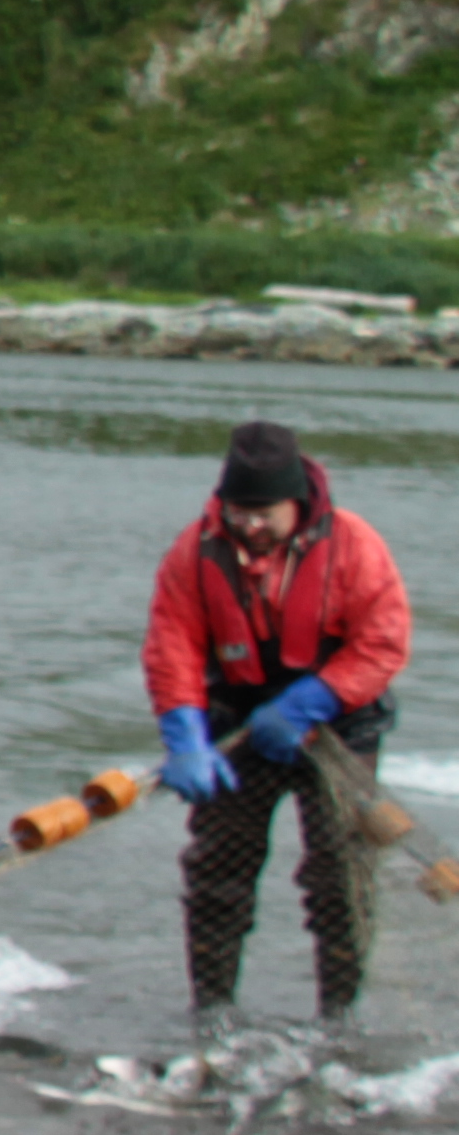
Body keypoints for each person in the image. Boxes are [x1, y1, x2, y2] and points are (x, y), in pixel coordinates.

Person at [146, 417, 410, 1029]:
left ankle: (338, 1016)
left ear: (298, 502)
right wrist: (183, 734)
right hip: (239, 727)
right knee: (217, 872)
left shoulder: (355, 545)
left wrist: (308, 704)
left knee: (341, 879)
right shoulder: (196, 550)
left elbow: (382, 643)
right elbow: (173, 645)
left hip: (339, 727)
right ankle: (212, 1009)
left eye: (265, 512)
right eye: (239, 510)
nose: (251, 525)